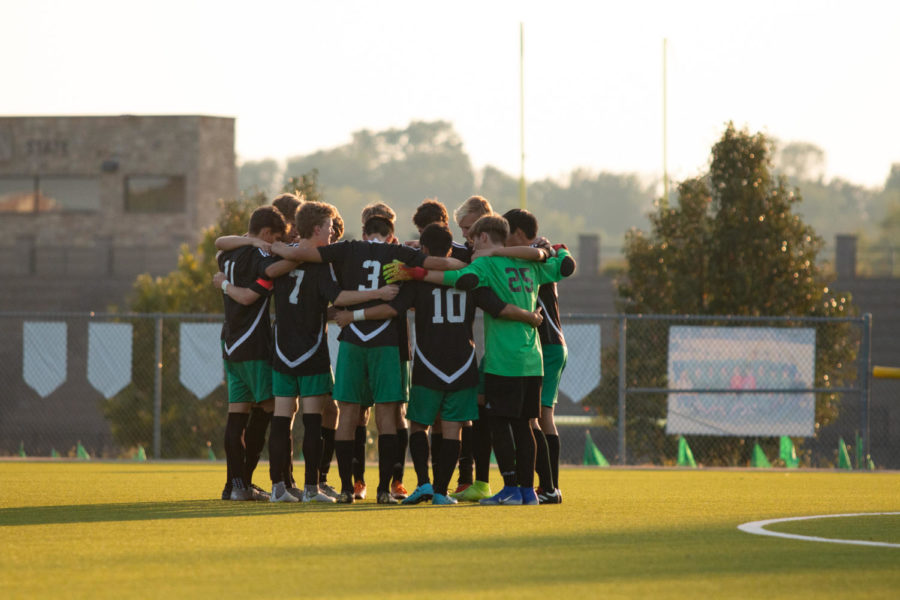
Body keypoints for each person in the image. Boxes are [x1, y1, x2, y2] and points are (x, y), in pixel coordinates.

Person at [336, 223, 543, 505]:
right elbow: (498, 306)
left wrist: (355, 316)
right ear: (451, 248)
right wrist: (529, 316)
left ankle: (423, 483)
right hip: (462, 362)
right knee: (452, 428)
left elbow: (393, 309)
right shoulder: (472, 275)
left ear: (423, 250)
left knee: (419, 426)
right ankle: (442, 493)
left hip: (428, 361)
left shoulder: (418, 280)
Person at [269, 212, 466, 504]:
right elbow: (446, 264)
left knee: (348, 414)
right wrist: (416, 267)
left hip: (352, 340)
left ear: (364, 233)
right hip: (385, 343)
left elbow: (308, 255)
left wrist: (279, 247)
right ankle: (384, 490)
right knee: (387, 416)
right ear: (390, 234)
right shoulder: (397, 252)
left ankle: (348, 488)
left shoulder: (347, 248)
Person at [214, 202, 400, 503]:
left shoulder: (279, 254)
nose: (332, 233)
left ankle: (278, 488)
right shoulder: (318, 262)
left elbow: (259, 270)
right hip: (310, 350)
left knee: (282, 420)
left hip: (281, 351)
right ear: (316, 229)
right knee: (313, 420)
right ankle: (312, 488)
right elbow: (338, 296)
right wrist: (377, 294)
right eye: (328, 228)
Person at [385, 214, 575, 505]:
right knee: (526, 426)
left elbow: (461, 279)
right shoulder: (531, 263)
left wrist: (417, 273)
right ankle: (529, 491)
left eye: (474, 238)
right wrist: (553, 248)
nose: (470, 244)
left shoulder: (485, 265)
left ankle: (508, 487)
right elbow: (565, 265)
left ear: (484, 237)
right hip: (531, 357)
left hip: (502, 360)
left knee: (497, 423)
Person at [216, 205, 287, 501]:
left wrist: (223, 283)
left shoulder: (228, 255)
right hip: (253, 345)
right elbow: (248, 297)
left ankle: (236, 486)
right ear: (267, 233)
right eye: (275, 238)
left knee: (237, 417)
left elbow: (219, 243)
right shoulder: (261, 256)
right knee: (275, 412)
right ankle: (279, 484)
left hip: (230, 345)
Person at [504, 208, 567, 504]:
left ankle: (550, 487)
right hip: (546, 346)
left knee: (540, 417)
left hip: (549, 344)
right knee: (539, 417)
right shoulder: (535, 250)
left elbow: (556, 257)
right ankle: (548, 486)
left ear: (516, 232)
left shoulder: (535, 252)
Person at [449, 195, 495, 501]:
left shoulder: (498, 256)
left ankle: (535, 484)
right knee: (474, 410)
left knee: (523, 420)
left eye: (467, 227)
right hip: (487, 348)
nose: (463, 235)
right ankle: (471, 480)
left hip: (516, 349)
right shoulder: (469, 253)